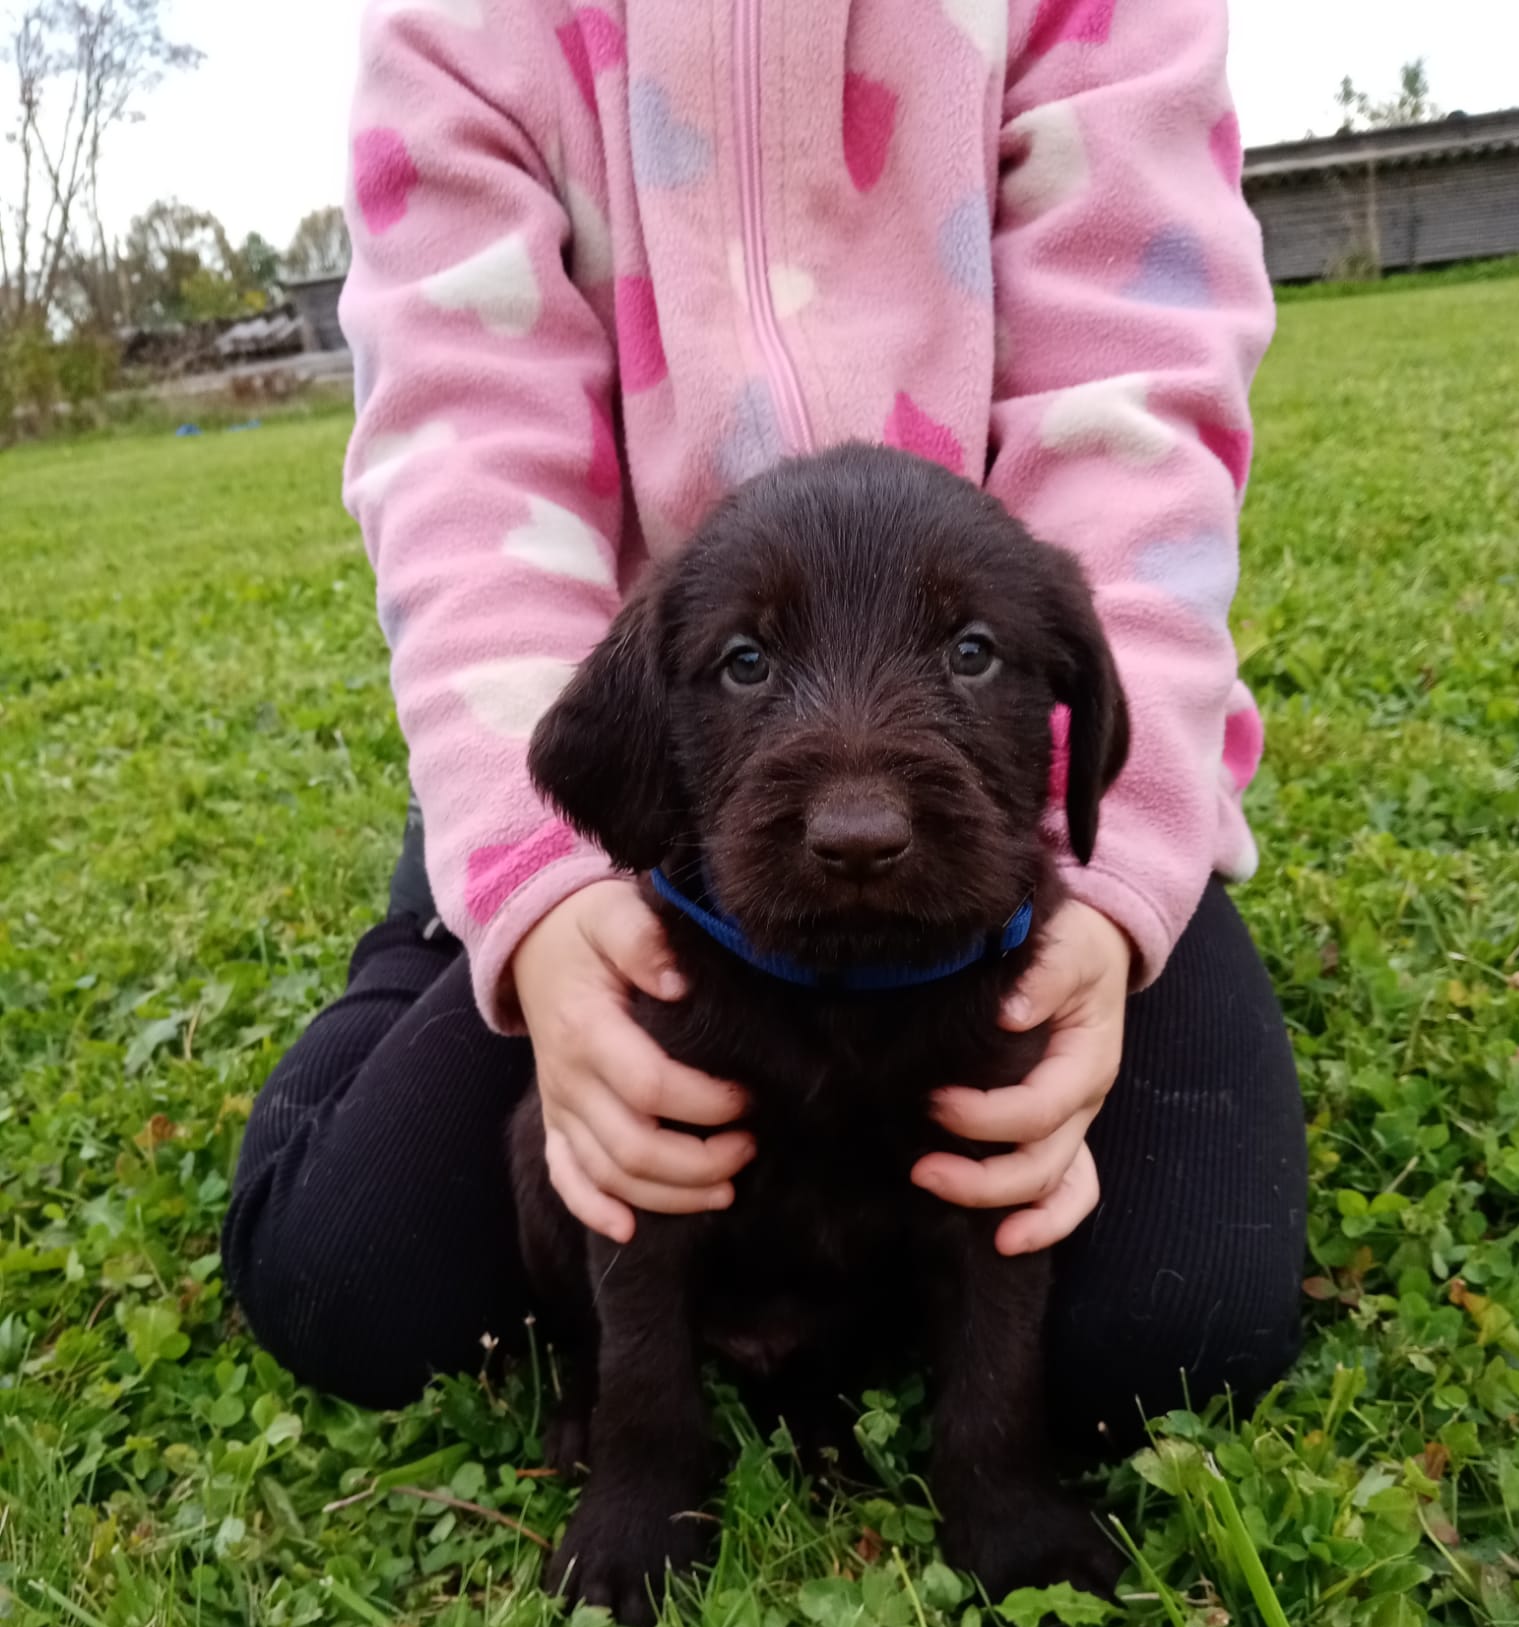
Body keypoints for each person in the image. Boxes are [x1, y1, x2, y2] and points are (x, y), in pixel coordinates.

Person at [222, 0, 1307, 1458]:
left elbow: (1137, 409)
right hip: (616, 772)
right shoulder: (467, 22)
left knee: (1171, 1331)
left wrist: (1117, 894)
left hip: (1000, 836)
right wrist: (532, 892)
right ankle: (433, 937)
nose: (857, 798)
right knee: (346, 1278)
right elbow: (464, 448)